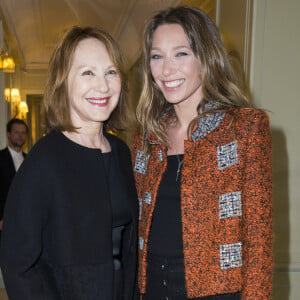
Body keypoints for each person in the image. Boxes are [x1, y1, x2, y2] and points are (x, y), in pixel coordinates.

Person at [132, 6, 272, 300]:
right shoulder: (146, 137)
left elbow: (259, 244)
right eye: (157, 56)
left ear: (206, 58)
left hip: (218, 293)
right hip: (152, 290)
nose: (167, 69)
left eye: (181, 53)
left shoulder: (244, 128)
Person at [0, 26, 138, 300]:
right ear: (63, 81)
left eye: (111, 72)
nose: (103, 85)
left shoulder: (122, 152)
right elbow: (18, 264)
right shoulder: (44, 160)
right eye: (88, 72)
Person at [0, 118, 28, 235]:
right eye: (16, 132)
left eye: (23, 133)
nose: (20, 136)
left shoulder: (30, 160)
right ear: (8, 134)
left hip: (26, 219)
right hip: (4, 220)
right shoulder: (0, 158)